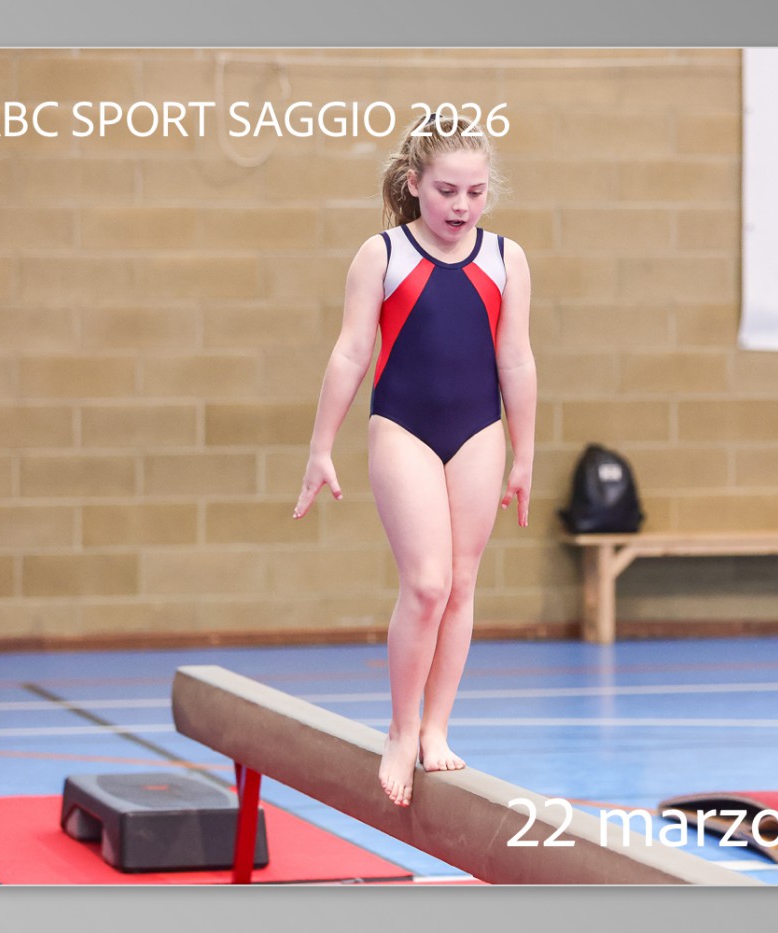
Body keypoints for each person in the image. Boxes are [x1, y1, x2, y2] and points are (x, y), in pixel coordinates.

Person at [292, 113, 536, 807]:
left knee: (460, 583)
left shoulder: (506, 258)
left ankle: (436, 727)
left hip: (479, 429)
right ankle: (401, 729)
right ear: (413, 183)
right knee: (426, 584)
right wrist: (320, 447)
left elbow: (516, 358)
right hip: (403, 426)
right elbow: (350, 353)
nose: (462, 206)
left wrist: (525, 454)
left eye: (476, 192)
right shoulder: (383, 254)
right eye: (447, 191)